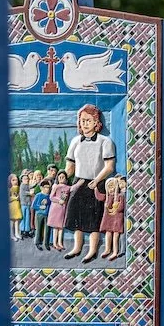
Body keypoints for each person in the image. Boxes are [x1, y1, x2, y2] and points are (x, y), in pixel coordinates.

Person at [63, 104, 116, 263]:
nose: (84, 123)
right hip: (78, 182)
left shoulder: (105, 141)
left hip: (96, 184)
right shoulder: (75, 141)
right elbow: (69, 167)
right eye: (81, 120)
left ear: (96, 122)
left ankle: (92, 250)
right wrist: (60, 178)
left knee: (94, 220)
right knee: (76, 217)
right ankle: (77, 248)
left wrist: (97, 181)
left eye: (87, 120)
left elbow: (109, 167)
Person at [96, 176, 126, 261]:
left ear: (116, 186)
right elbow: (99, 197)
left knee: (116, 234)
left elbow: (121, 207)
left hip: (117, 218)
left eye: (112, 186)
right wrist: (95, 189)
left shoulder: (119, 196)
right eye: (109, 187)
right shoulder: (107, 197)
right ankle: (107, 249)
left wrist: (116, 207)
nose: (111, 189)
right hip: (108, 218)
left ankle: (115, 251)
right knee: (108, 233)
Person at [48, 171, 70, 251]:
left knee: (60, 227)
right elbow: (51, 197)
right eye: (60, 177)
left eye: (63, 177)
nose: (61, 178)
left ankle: (60, 242)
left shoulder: (67, 187)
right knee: (55, 227)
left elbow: (72, 188)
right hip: (55, 208)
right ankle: (54, 243)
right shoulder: (55, 186)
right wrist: (58, 200)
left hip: (62, 208)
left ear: (66, 179)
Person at [32, 180, 51, 251]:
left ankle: (46, 243)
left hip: (47, 214)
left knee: (47, 229)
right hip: (39, 214)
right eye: (46, 187)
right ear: (41, 188)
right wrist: (40, 207)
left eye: (49, 187)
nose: (47, 189)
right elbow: (33, 206)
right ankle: (37, 242)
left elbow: (50, 204)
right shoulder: (38, 195)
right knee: (39, 229)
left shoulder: (49, 196)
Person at [8, 174, 22, 241]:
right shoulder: (9, 189)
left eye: (16, 180)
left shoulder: (18, 188)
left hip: (17, 205)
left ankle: (17, 233)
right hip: (12, 206)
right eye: (13, 180)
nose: (15, 181)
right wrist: (14, 198)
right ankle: (12, 234)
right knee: (12, 222)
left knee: (17, 220)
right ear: (10, 181)